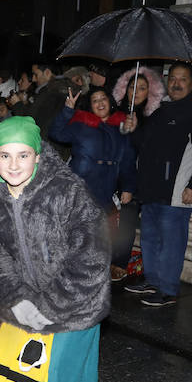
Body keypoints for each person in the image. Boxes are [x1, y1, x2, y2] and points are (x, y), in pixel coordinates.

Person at [0, 116, 110, 382]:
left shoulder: (67, 191)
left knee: (61, 368)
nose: (14, 164)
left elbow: (91, 254)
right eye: (5, 155)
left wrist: (51, 305)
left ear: (37, 155)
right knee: (17, 361)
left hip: (74, 299)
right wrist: (16, 298)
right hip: (23, 297)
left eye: (23, 155)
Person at [124, 62, 192, 306]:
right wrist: (133, 129)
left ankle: (167, 289)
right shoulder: (162, 110)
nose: (176, 83)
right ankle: (153, 281)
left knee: (171, 243)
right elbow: (143, 143)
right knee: (150, 238)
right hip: (151, 189)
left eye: (182, 79)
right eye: (173, 78)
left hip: (176, 192)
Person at [49, 86, 136, 282]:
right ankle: (69, 275)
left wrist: (128, 187)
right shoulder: (81, 125)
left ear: (110, 102)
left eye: (103, 98)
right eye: (95, 100)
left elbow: (128, 161)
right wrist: (68, 110)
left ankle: (91, 277)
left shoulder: (121, 129)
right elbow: (55, 133)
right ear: (90, 106)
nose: (100, 103)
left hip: (105, 189)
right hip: (80, 187)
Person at [111, 66, 165, 282]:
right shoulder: (117, 112)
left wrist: (134, 131)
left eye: (142, 88)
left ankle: (119, 264)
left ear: (150, 92)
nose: (136, 92)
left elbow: (149, 149)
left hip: (137, 178)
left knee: (127, 221)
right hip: (112, 175)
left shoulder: (153, 116)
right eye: (132, 87)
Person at [7, 59, 73, 155]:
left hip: (47, 150)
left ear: (47, 72)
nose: (33, 79)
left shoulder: (50, 92)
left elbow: (29, 120)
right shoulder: (57, 89)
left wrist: (17, 103)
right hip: (51, 148)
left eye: (36, 74)